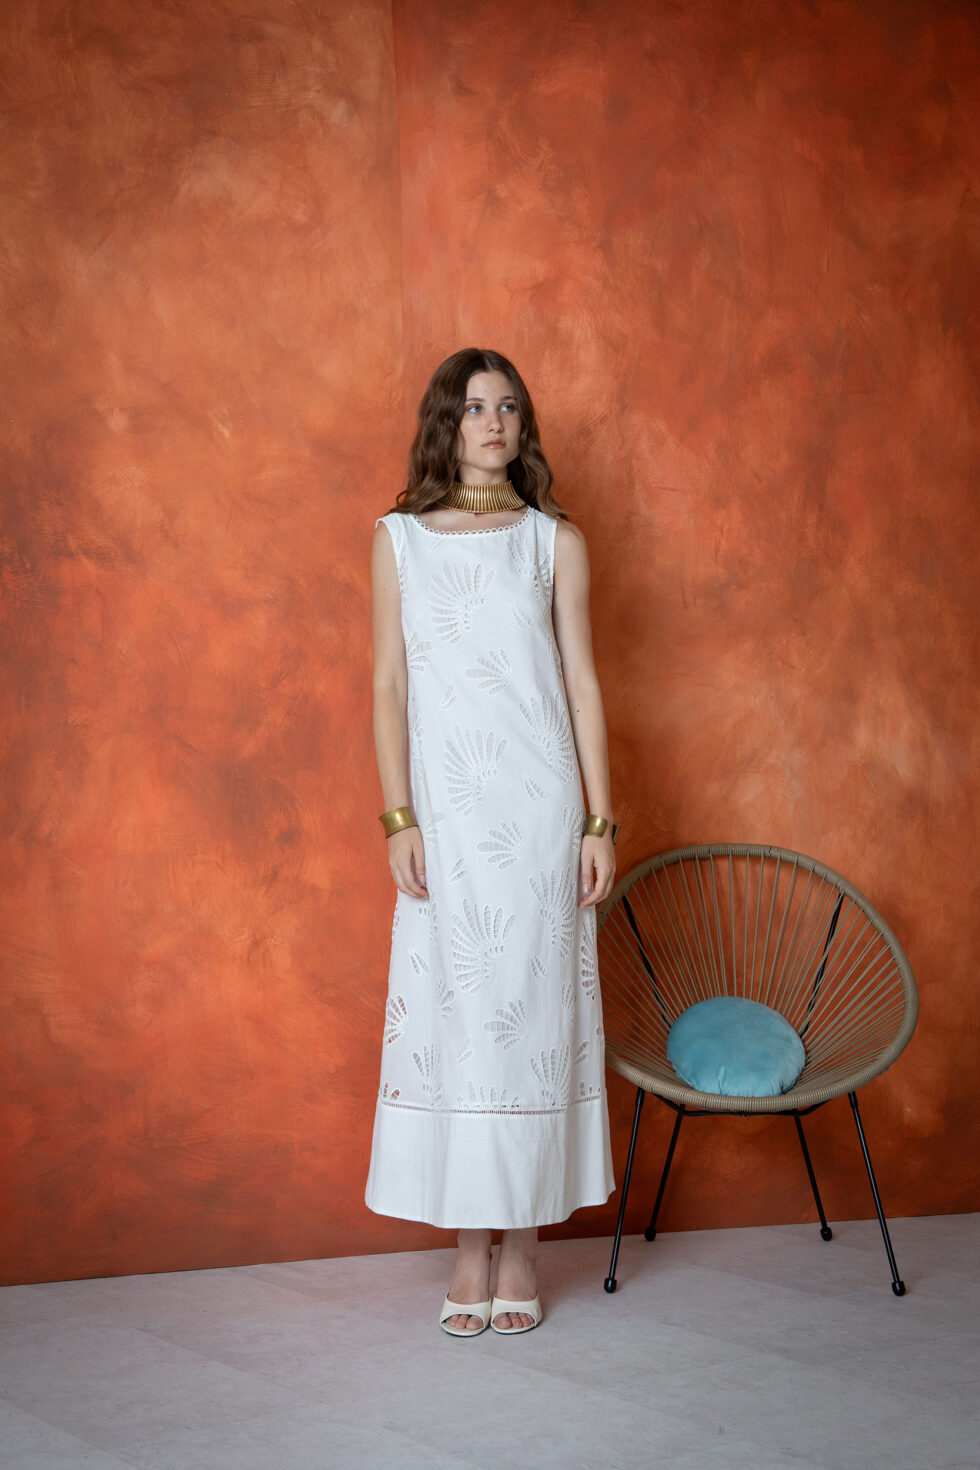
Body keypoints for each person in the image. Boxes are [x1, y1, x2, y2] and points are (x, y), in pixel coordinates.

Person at [365, 347, 617, 1336]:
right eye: (474, 408)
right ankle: (469, 1251)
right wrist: (399, 816)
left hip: (541, 814)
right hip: (450, 820)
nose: (494, 422)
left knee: (533, 1024)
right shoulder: (397, 540)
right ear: (446, 423)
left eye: (508, 406)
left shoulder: (555, 541)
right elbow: (388, 684)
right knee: (463, 1026)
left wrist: (598, 820)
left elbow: (582, 684)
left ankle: (522, 1250)